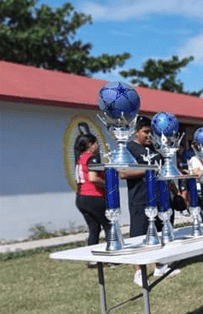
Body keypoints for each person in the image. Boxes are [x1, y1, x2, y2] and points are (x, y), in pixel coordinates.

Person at [121, 116, 181, 287]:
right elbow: (123, 173)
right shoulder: (129, 148)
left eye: (151, 132)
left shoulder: (157, 149)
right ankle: (139, 272)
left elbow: (165, 173)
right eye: (145, 132)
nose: (149, 136)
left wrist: (176, 193)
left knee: (163, 232)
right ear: (136, 132)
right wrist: (149, 170)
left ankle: (161, 265)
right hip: (140, 199)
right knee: (139, 236)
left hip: (161, 198)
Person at [74, 128, 110, 260]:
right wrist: (108, 185)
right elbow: (93, 178)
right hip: (93, 196)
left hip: (81, 196)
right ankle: (111, 255)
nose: (97, 146)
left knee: (94, 228)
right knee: (108, 225)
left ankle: (91, 258)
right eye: (95, 143)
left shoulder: (80, 159)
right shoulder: (91, 159)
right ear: (89, 144)